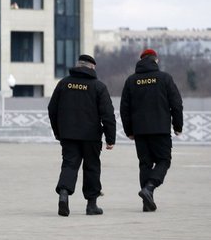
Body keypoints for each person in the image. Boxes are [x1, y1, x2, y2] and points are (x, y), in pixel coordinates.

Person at [48, 54, 116, 217]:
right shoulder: (98, 87)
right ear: (92, 67)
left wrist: (58, 132)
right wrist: (110, 138)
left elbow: (52, 109)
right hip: (91, 136)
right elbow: (107, 114)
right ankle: (91, 205)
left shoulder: (64, 83)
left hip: (68, 135)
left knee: (69, 164)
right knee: (92, 167)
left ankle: (64, 194)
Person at [119, 48, 184, 212]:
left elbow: (124, 109)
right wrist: (178, 126)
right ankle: (149, 188)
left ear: (141, 60)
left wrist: (129, 131)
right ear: (156, 60)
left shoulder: (131, 81)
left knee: (145, 164)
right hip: (160, 129)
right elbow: (176, 104)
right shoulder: (165, 78)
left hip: (140, 131)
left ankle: (147, 202)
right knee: (164, 161)